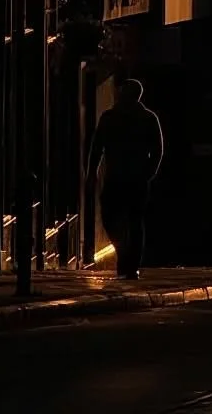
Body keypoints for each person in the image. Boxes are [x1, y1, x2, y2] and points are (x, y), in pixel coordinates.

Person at [87, 78, 164, 278]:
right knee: (118, 219)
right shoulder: (113, 117)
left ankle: (129, 264)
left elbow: (157, 150)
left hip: (128, 178)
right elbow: (97, 148)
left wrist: (148, 173)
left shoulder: (143, 118)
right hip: (122, 177)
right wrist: (92, 172)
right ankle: (126, 258)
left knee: (130, 220)